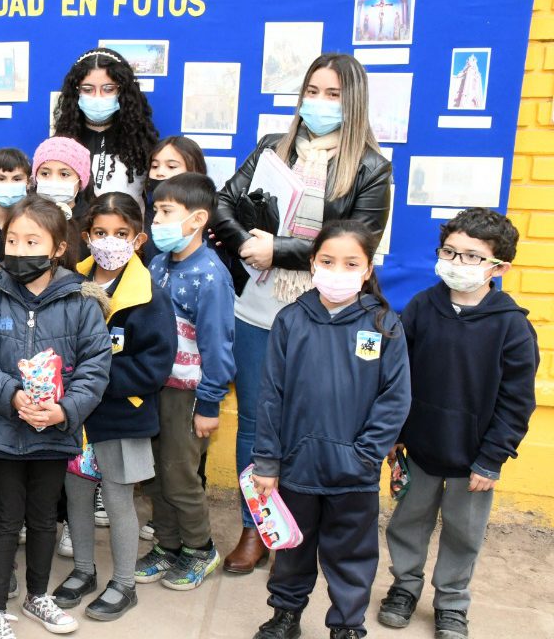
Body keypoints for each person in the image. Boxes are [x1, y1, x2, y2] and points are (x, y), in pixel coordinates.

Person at [208, 53, 392, 574]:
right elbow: (224, 202)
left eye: (333, 95)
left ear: (352, 101)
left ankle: (305, 524)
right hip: (257, 308)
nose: (320, 103)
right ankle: (256, 526)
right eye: (313, 90)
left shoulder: (372, 168)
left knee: (312, 419)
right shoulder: (273, 147)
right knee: (254, 421)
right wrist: (250, 246)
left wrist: (281, 250)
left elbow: (360, 242)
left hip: (325, 312)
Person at [378, 209, 538, 639]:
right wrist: (393, 435)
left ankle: (451, 601)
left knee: (464, 534)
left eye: (471, 256)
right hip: (420, 450)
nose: (456, 262)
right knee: (408, 522)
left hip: (474, 460)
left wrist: (492, 458)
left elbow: (517, 401)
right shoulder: (421, 307)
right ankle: (404, 587)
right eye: (450, 251)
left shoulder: (512, 327)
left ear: (499, 268)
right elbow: (396, 375)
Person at [250, 220, 411, 639]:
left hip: (353, 471)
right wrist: (267, 460)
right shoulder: (290, 320)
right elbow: (270, 396)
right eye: (327, 261)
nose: (337, 270)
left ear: (367, 269)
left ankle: (346, 624)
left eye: (350, 262)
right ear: (312, 263)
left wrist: (366, 454)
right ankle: (285, 614)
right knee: (292, 547)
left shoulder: (383, 324)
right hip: (296, 466)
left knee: (352, 553)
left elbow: (395, 398)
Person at [0, 195, 112, 638]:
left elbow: (95, 367)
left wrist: (63, 410)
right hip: (2, 428)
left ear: (59, 248)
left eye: (33, 241)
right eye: (13, 240)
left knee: (46, 518)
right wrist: (11, 396)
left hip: (54, 429)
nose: (21, 250)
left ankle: (37, 596)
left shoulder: (83, 302)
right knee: (4, 520)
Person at [53, 192, 176, 620]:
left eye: (121, 233)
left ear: (139, 239)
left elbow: (155, 366)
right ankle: (84, 570)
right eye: (101, 233)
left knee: (120, 499)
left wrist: (93, 382)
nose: (110, 241)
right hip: (75, 418)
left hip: (123, 415)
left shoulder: (150, 296)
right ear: (85, 237)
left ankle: (124, 583)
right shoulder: (69, 281)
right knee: (78, 496)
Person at [137, 173, 234, 592]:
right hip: (155, 386)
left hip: (189, 393)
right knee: (157, 473)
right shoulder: (158, 263)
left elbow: (218, 344)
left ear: (196, 219)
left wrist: (210, 403)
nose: (156, 219)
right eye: (155, 210)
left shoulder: (211, 276)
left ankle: (199, 548)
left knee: (180, 474)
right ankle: (167, 545)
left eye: (165, 212)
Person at [53, 48, 159, 217]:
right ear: (76, 91)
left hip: (130, 235)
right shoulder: (63, 144)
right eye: (88, 89)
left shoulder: (141, 142)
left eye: (108, 89)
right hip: (75, 234)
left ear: (122, 90)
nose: (98, 97)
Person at [142, 136, 209, 267]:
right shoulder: (145, 213)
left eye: (171, 166)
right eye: (154, 166)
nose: (160, 172)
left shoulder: (209, 218)